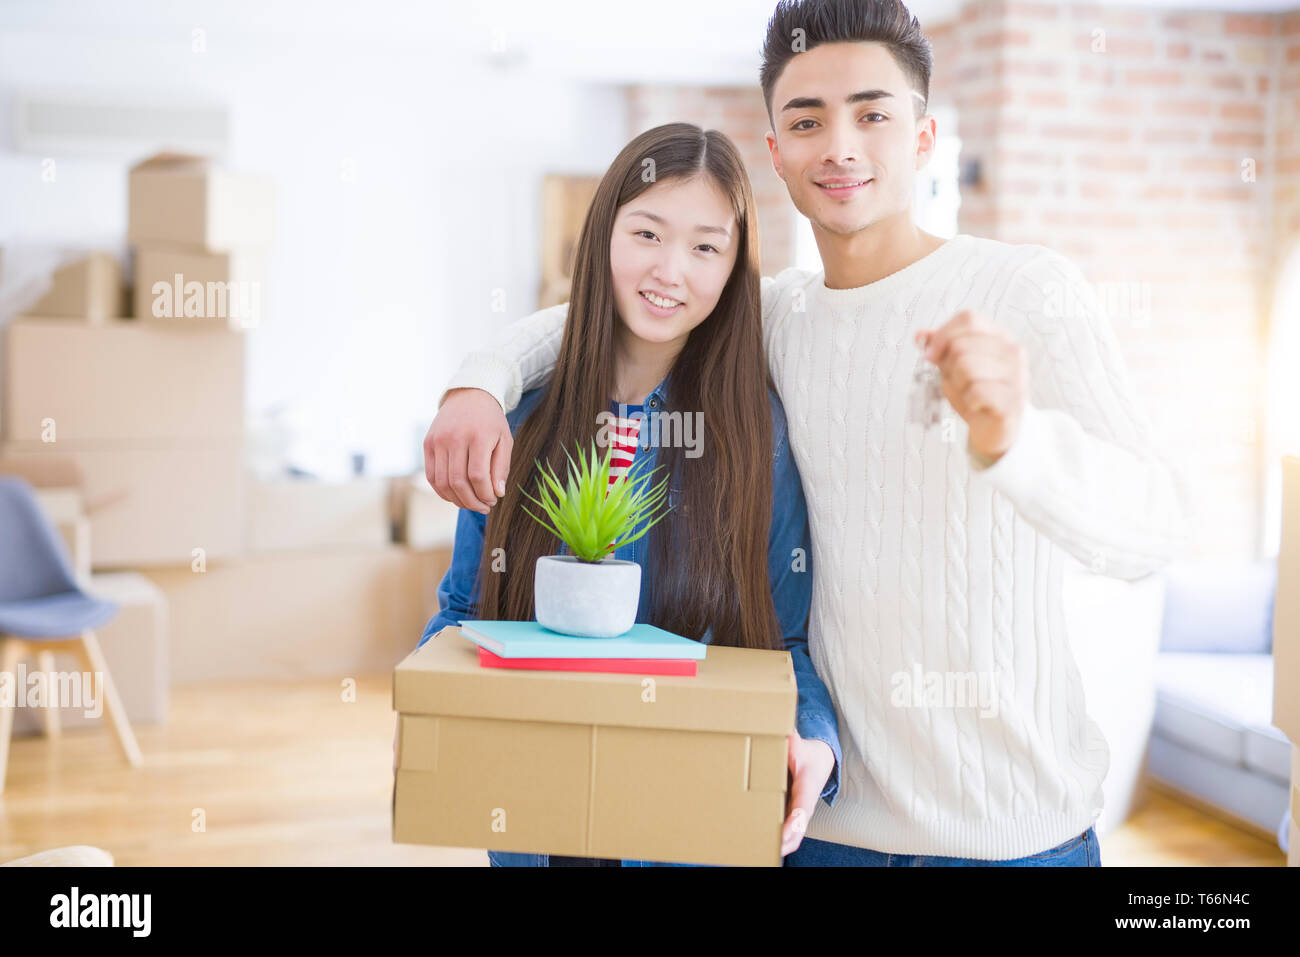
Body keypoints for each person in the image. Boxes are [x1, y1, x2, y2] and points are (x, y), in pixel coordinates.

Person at [421, 0, 1192, 867]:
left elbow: (1154, 530)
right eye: (807, 120)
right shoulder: (779, 318)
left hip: (1014, 839)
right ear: (777, 152)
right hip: (818, 831)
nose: (841, 146)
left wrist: (1019, 439)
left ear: (926, 134)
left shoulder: (1026, 291)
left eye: (873, 113)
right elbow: (623, 312)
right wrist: (478, 383)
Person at [418, 121, 842, 866]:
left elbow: (788, 641)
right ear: (604, 235)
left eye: (706, 247)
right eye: (648, 233)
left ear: (735, 266)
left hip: (691, 828)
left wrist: (812, 738)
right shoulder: (518, 418)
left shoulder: (754, 434)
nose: (670, 270)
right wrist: (425, 702)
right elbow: (463, 611)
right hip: (532, 821)